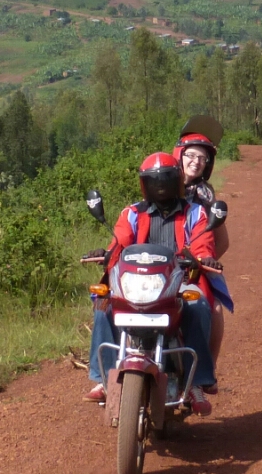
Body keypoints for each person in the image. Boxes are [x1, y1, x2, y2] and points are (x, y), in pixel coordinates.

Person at [85, 152, 223, 415]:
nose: (160, 186)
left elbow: (202, 243)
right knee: (103, 305)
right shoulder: (132, 213)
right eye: (154, 181)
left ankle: (196, 383)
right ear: (144, 184)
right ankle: (102, 378)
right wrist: (106, 252)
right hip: (136, 282)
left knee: (199, 307)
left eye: (166, 180)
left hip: (179, 281)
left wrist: (203, 257)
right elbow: (120, 240)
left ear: (177, 181)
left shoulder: (196, 213)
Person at [174, 120, 230, 366]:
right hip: (157, 263)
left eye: (202, 158)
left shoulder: (206, 196)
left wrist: (204, 260)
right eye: (191, 155)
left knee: (214, 307)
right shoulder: (161, 181)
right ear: (179, 154)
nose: (196, 162)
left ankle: (207, 371)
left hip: (193, 264)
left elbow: (222, 241)